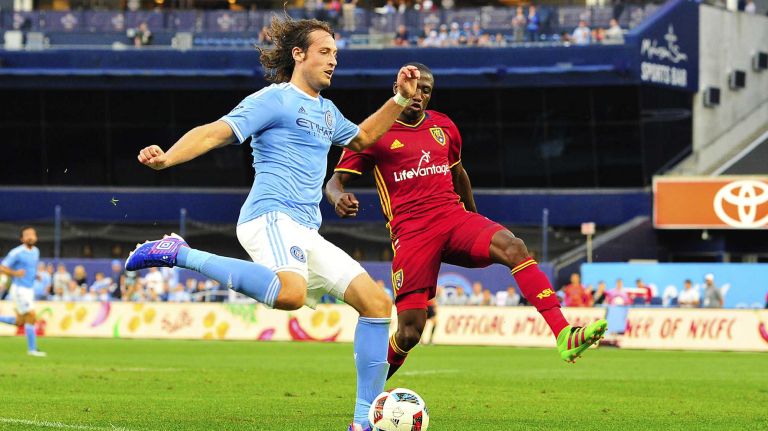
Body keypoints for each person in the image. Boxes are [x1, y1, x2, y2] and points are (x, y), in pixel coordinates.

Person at [124, 15, 419, 431]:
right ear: (299, 55)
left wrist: (400, 99)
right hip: (269, 215)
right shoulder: (273, 99)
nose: (333, 61)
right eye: (324, 52)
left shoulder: (328, 112)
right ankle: (181, 253)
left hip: (304, 228)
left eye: (335, 53)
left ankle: (362, 423)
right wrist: (168, 157)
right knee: (290, 294)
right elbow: (215, 133)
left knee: (376, 305)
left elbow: (365, 139)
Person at [325, 62, 607, 379]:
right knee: (410, 332)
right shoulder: (375, 133)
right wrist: (338, 198)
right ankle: (367, 401)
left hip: (453, 218)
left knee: (514, 247)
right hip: (413, 234)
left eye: (426, 90)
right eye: (413, 87)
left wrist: (473, 218)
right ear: (398, 88)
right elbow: (334, 183)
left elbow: (459, 175)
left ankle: (564, 334)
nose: (418, 94)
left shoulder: (444, 127)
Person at [0, 226, 46, 356]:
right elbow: (2, 268)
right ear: (22, 239)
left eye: (32, 234)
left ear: (36, 237)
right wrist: (15, 273)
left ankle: (32, 349)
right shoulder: (16, 252)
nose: (30, 236)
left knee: (20, 321)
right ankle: (32, 350)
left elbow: (30, 268)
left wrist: (35, 274)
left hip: (29, 289)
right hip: (19, 289)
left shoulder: (36, 251)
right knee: (31, 315)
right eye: (27, 235)